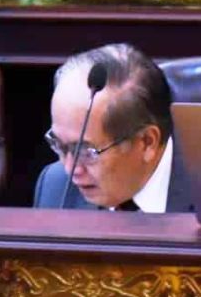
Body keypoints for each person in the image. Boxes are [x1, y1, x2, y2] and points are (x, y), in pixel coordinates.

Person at [33, 43, 192, 213]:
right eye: (60, 145)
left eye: (86, 151)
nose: (71, 170)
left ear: (147, 142)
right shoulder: (55, 187)